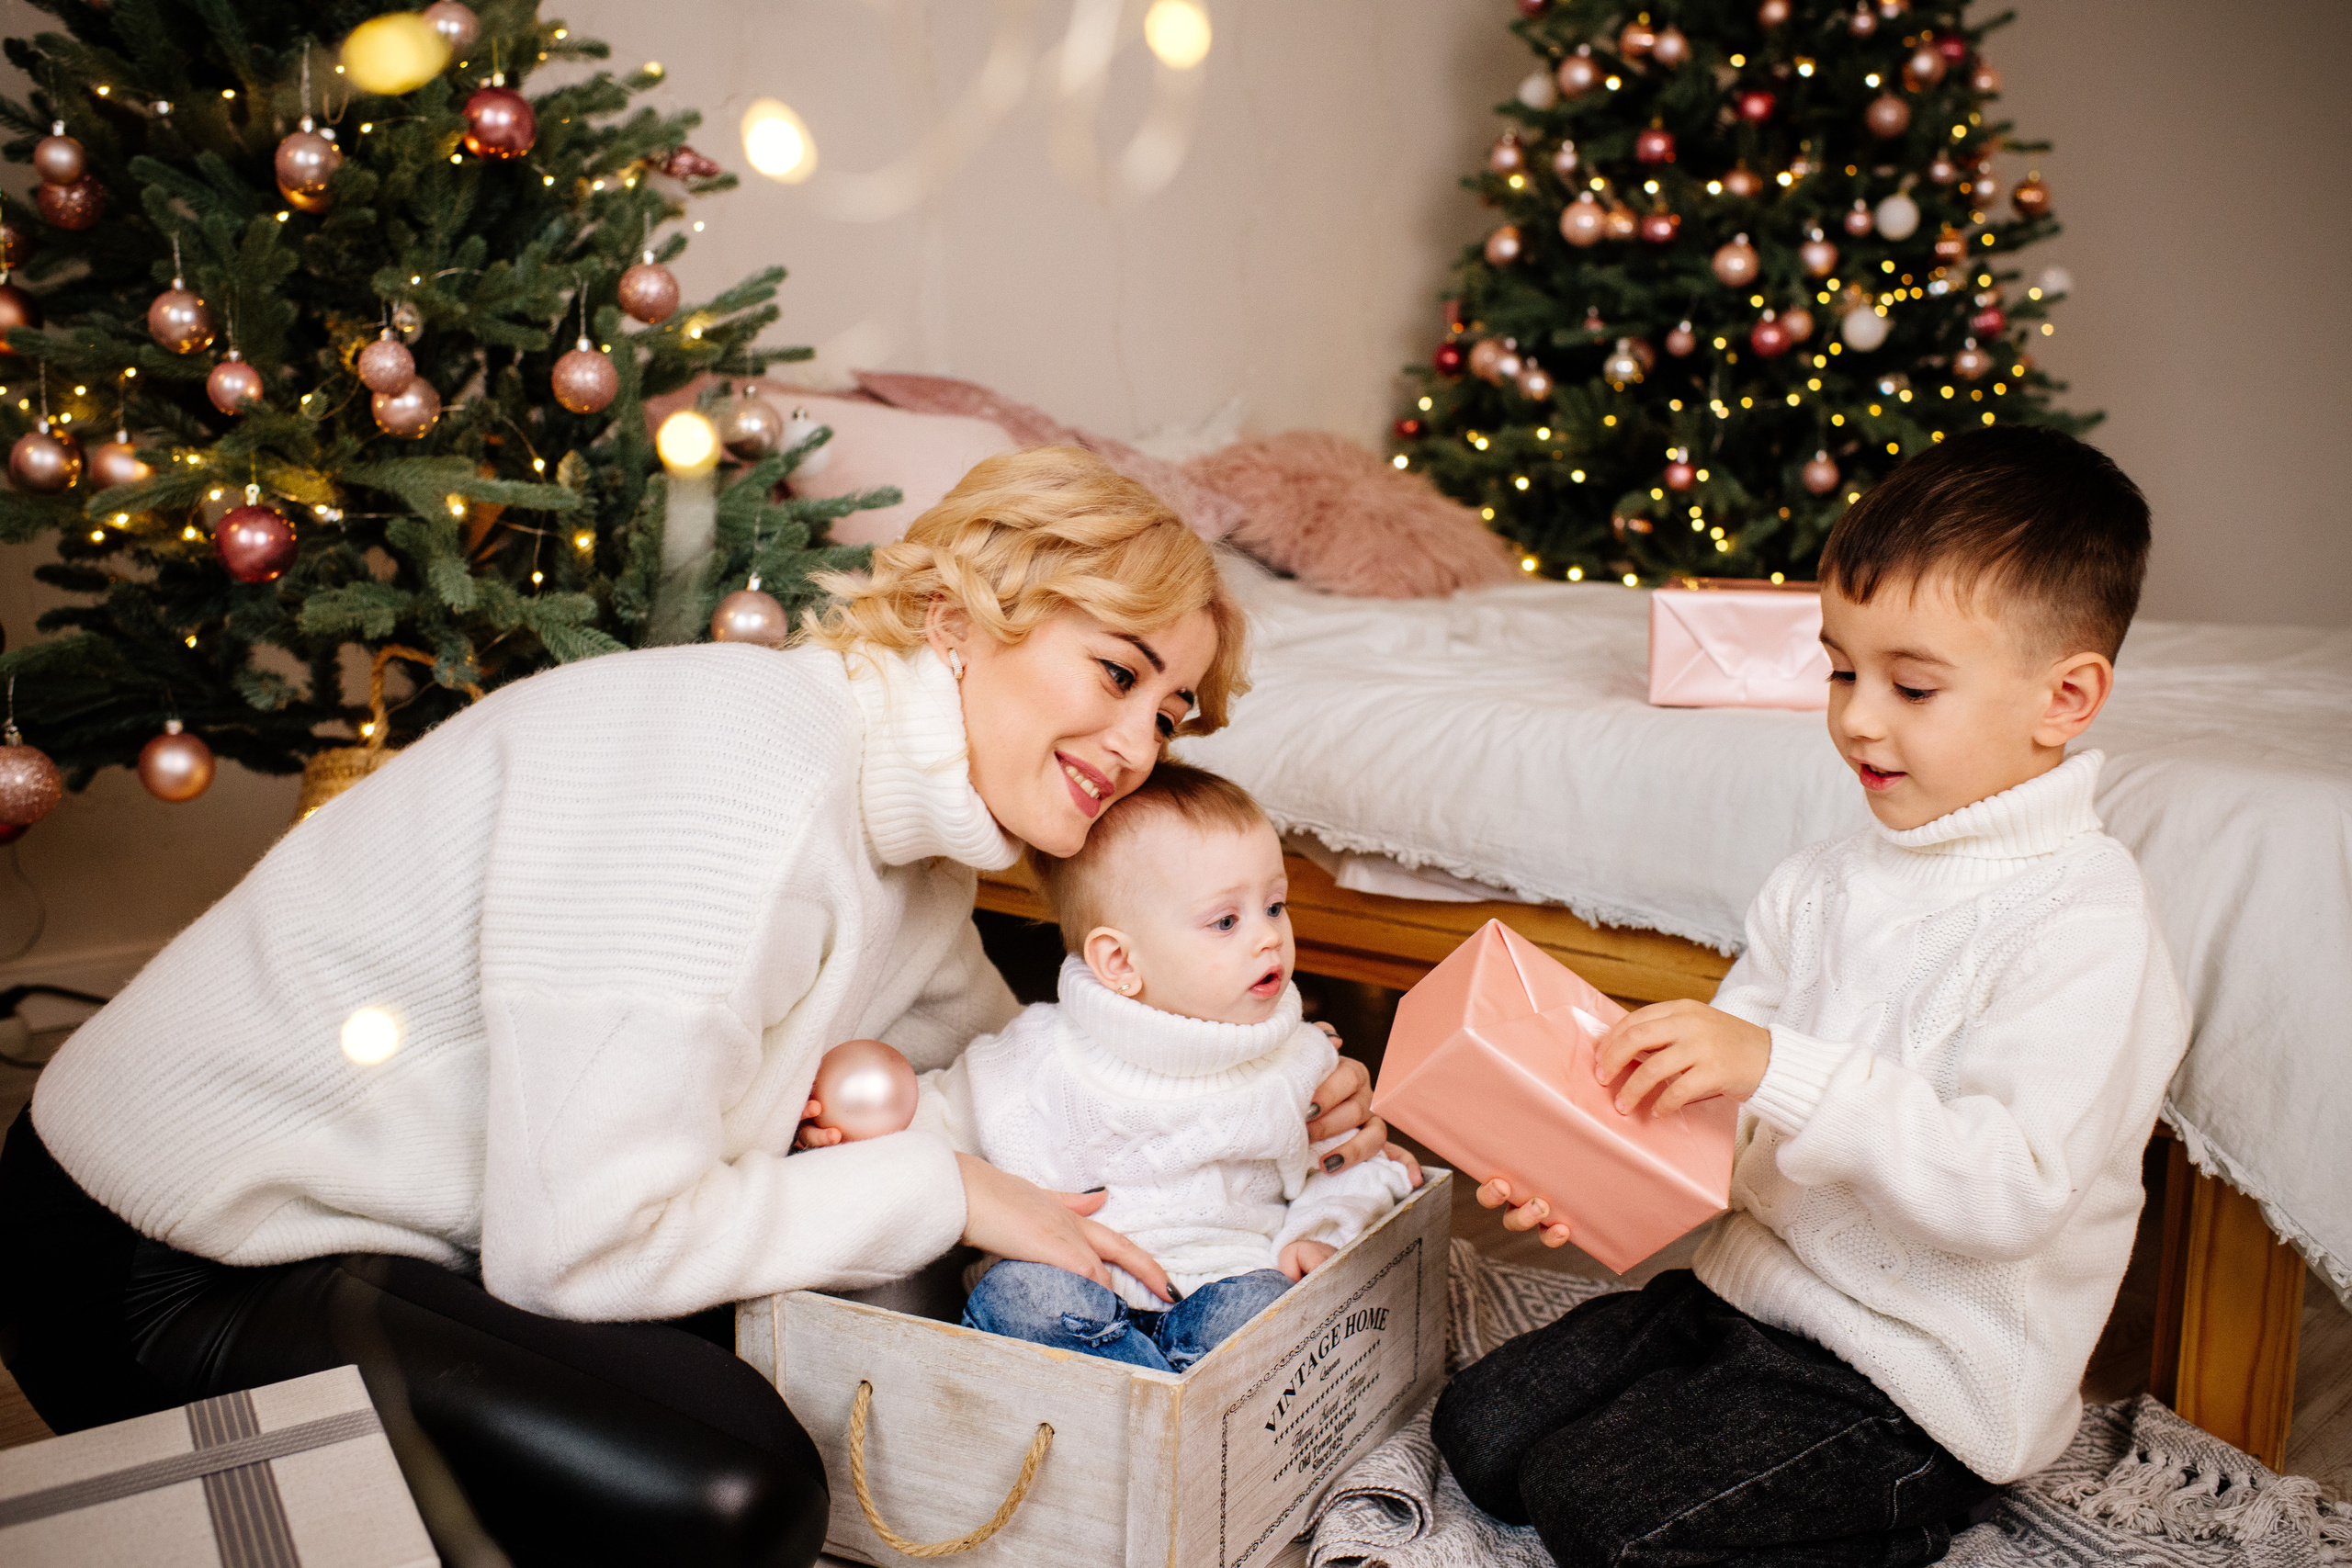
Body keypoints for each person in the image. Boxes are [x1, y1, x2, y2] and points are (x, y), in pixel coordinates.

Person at [0, 446, 1409, 1568]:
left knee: (856, 1307)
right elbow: (582, 1251)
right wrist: (943, 1187)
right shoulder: (738, 764)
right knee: (738, 1483)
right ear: (953, 617)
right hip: (166, 1253)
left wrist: (1271, 1081)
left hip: (436, 1224)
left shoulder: (925, 846)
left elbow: (1028, 1098)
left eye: (1170, 709)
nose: (1136, 744)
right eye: (1116, 671)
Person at [1435, 426, 2190, 1567]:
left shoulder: (2086, 922)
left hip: (1916, 1380)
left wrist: (1772, 1066)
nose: (1855, 718)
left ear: (2064, 697)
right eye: (1840, 669)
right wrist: (1592, 1166)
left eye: (1911, 685)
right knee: (1482, 1434)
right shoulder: (1822, 882)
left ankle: (1899, 1519)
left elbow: (2012, 1191)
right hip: (1749, 1295)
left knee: (1596, 1506)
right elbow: (1731, 1127)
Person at [916, 763, 1415, 1371]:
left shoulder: (1300, 1060)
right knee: (1017, 1293)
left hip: (1225, 1290)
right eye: (1226, 921)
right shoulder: (1036, 1053)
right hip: (1078, 1287)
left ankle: (1160, 1415)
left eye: (1275, 906)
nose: (1269, 938)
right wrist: (862, 1110)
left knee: (1269, 1308)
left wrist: (1322, 1233)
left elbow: (1354, 1170)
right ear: (1120, 961)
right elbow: (936, 1125)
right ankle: (1149, 1400)